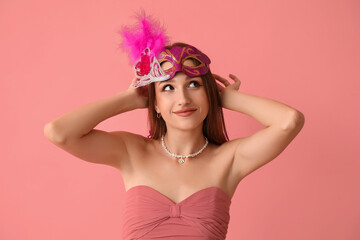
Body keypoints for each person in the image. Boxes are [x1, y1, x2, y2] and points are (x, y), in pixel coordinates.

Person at [44, 18, 305, 240]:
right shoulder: (131, 151)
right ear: (154, 103)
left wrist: (226, 98)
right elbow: (59, 132)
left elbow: (289, 121)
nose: (182, 99)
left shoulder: (230, 159)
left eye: (194, 85)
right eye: (168, 88)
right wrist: (127, 99)